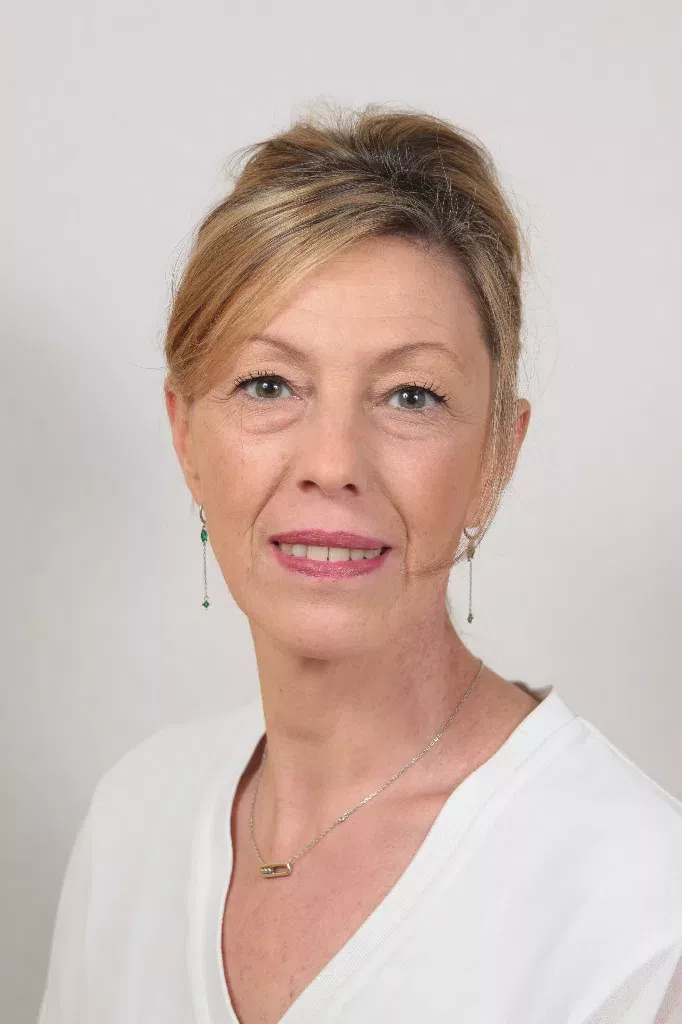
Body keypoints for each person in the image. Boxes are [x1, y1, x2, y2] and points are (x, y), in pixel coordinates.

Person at [38, 103, 682, 1024]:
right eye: (269, 384)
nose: (333, 462)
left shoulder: (643, 914)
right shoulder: (132, 823)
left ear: (498, 455)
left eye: (410, 396)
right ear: (186, 437)